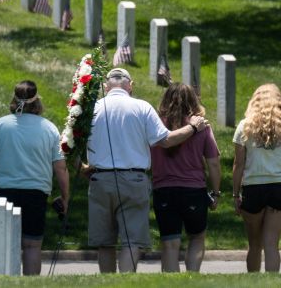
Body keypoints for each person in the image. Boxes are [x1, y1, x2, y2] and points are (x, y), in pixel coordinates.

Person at [82, 68, 209, 273]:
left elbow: (68, 146)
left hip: (100, 179)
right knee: (132, 241)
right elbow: (166, 140)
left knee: (104, 242)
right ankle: (126, 283)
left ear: (106, 87)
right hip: (134, 179)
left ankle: (107, 283)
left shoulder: (91, 109)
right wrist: (193, 128)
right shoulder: (142, 107)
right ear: (130, 85)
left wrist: (83, 168)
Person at [0, 80, 69, 276]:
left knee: (4, 243)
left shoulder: (0, 125)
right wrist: (65, 197)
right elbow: (60, 168)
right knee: (32, 246)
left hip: (4, 191)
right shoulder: (49, 128)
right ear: (37, 102)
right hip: (36, 193)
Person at [232, 83, 281, 273]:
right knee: (272, 245)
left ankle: (253, 283)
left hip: (253, 187)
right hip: (280, 188)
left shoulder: (245, 126)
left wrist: (235, 195)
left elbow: (238, 165)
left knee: (254, 245)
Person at [151, 83, 221, 272]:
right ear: (193, 100)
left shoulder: (155, 124)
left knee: (169, 243)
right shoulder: (202, 127)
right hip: (193, 190)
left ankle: (171, 283)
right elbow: (213, 163)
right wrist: (216, 192)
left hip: (163, 190)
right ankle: (192, 278)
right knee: (197, 237)